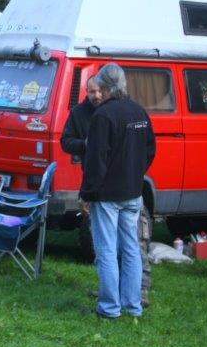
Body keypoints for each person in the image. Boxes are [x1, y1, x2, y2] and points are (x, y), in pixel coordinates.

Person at [61, 76, 153, 307]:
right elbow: (150, 149)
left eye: (99, 90)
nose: (97, 95)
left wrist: (88, 193)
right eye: (92, 91)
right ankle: (132, 303)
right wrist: (134, 174)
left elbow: (97, 159)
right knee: (129, 248)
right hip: (129, 191)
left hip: (107, 193)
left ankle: (112, 305)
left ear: (106, 88)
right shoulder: (137, 111)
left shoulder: (104, 115)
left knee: (110, 249)